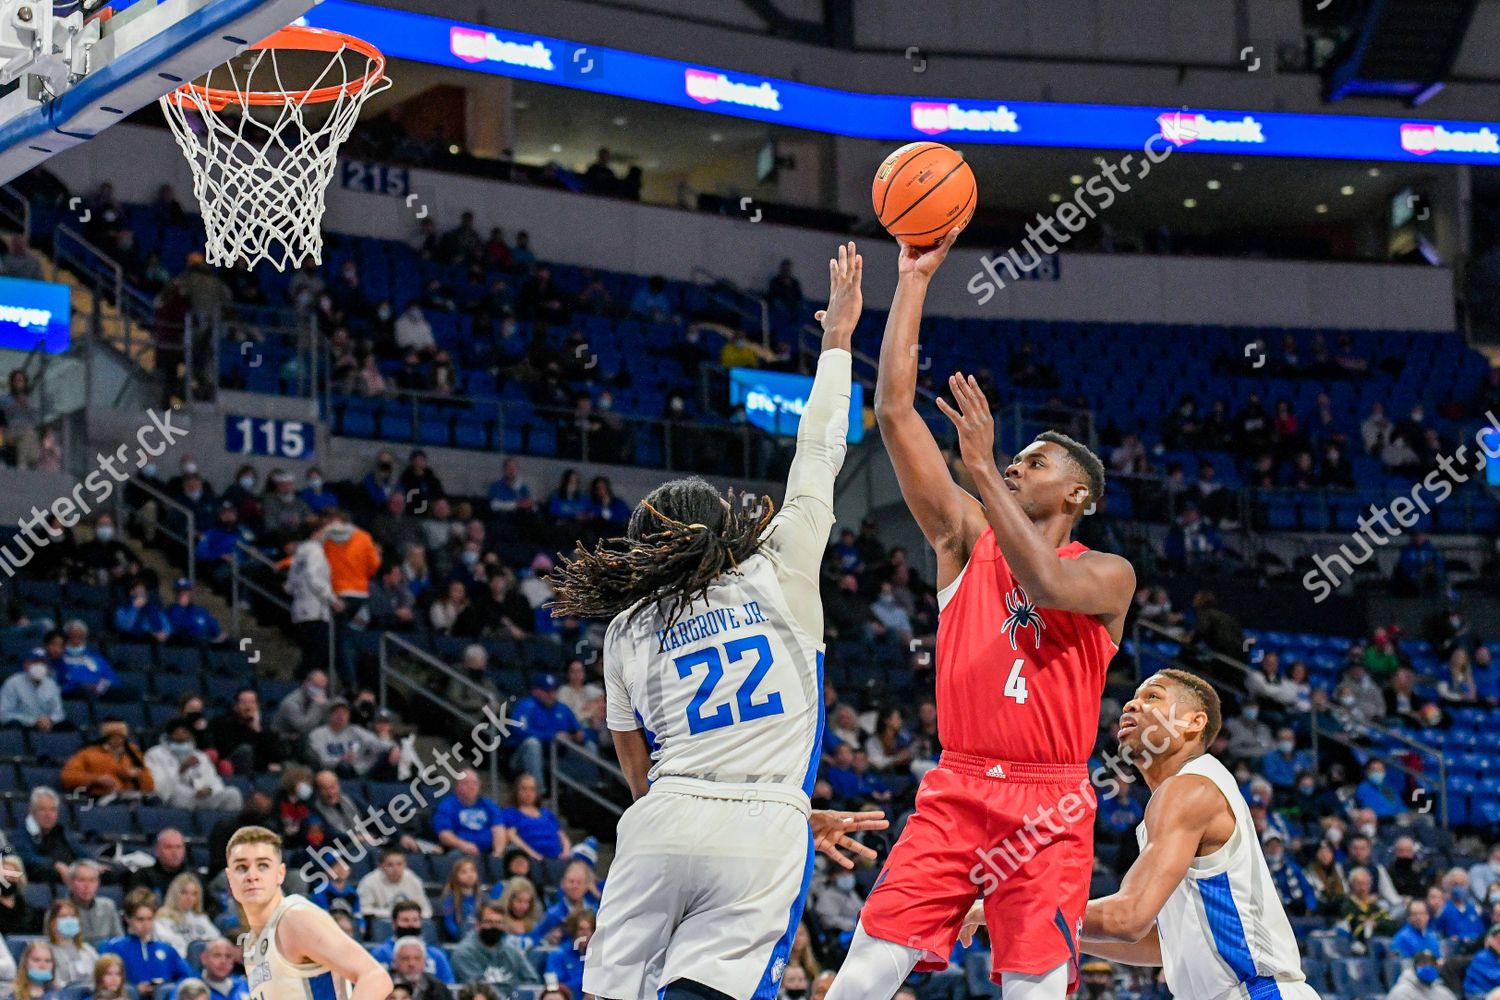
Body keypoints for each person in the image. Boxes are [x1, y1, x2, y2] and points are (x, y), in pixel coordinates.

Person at [552, 243, 889, 1000]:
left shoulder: (626, 626)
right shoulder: (782, 566)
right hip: (763, 827)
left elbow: (637, 771)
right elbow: (819, 451)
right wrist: (836, 342)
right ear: (726, 531)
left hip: (661, 821)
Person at [827, 231, 1133, 1000]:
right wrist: (913, 279)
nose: (1014, 464)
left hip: (1051, 800)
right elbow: (895, 411)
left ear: (1078, 496)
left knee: (1031, 991)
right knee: (863, 974)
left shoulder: (1106, 574)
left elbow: (1049, 585)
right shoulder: (965, 539)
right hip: (957, 787)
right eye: (1013, 457)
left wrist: (981, 471)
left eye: (1036, 462)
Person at [1070, 671, 1319, 1000]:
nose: (1131, 704)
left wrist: (1015, 913)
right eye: (1133, 698)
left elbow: (1126, 918)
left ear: (1193, 722)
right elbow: (1165, 943)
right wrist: (1062, 932)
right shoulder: (1177, 798)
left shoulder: (1189, 789)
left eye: (1153, 697)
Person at [225, 826, 391, 1000]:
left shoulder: (294, 918)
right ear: (230, 878)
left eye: (263, 865)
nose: (252, 875)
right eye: (242, 867)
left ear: (280, 874)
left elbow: (375, 977)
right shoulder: (251, 943)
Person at [99, 889, 193, 999]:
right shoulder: (113, 948)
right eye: (140, 919)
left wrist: (169, 991)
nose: (146, 925)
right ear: (127, 919)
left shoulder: (167, 949)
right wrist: (134, 990)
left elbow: (188, 978)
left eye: (150, 919)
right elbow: (102, 983)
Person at [144, 719, 244, 812]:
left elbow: (215, 781)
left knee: (233, 794)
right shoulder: (155, 754)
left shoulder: (199, 756)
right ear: (169, 737)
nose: (182, 741)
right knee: (179, 792)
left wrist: (210, 790)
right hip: (174, 798)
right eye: (178, 740)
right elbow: (156, 788)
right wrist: (180, 770)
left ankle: (228, 828)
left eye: (185, 738)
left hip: (202, 797)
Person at [449, 900, 539, 990]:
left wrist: (516, 995)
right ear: (478, 924)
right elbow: (478, 991)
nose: (494, 927)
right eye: (489, 922)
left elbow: (532, 981)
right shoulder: (464, 954)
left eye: (499, 923)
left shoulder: (511, 951)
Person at [61, 719, 155, 798]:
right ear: (105, 737)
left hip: (132, 796)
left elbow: (150, 785)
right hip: (101, 797)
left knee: (154, 800)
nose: (118, 740)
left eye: (121, 736)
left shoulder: (133, 753)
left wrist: (138, 776)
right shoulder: (88, 753)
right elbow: (68, 777)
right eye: (114, 736)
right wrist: (96, 779)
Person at [367, 901, 453, 983]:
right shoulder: (380, 953)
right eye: (405, 920)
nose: (411, 925)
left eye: (415, 920)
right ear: (394, 923)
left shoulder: (436, 955)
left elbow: (449, 985)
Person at [431, 769, 506, 858]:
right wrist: (463, 845)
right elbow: (444, 835)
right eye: (466, 783)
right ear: (457, 787)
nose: (471, 786)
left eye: (474, 783)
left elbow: (499, 829)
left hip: (489, 851)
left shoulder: (488, 804)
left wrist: (498, 852)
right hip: (462, 850)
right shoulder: (447, 806)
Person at [501, 774, 569, 861]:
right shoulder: (510, 812)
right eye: (524, 789)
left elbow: (562, 836)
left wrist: (566, 852)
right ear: (517, 791)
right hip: (531, 859)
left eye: (532, 789)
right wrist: (533, 855)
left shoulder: (547, 813)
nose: (528, 793)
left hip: (558, 857)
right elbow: (511, 836)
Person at [356, 847, 430, 920]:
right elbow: (363, 910)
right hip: (382, 923)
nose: (395, 869)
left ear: (405, 865)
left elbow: (426, 910)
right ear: (381, 866)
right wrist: (395, 915)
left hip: (409, 922)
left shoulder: (414, 880)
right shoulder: (368, 882)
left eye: (399, 864)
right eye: (390, 865)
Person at [0, 647, 65, 731]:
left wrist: (50, 720)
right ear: (25, 664)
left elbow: (59, 712)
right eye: (35, 662)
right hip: (23, 727)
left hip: (47, 726)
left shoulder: (51, 684)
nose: (39, 666)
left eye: (43, 663)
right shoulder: (12, 683)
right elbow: (3, 713)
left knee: (66, 726)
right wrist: (33, 721)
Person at [45, 899, 99, 986]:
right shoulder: (45, 951)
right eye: (63, 916)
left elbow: (101, 975)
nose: (69, 920)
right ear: (52, 923)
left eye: (73, 916)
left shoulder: (88, 950)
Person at [67, 861, 121, 942]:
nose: (87, 886)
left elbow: (119, 941)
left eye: (92, 880)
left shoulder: (108, 906)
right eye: (81, 880)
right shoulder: (60, 911)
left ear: (98, 883)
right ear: (71, 882)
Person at [438, 858, 483, 943]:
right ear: (455, 876)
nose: (470, 875)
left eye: (472, 871)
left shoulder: (484, 897)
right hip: (462, 939)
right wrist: (463, 936)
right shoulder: (449, 899)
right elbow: (449, 924)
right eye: (464, 872)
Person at [1386, 950, 1454, 1000]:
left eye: (1432, 964)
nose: (1428, 968)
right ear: (1414, 968)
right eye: (1423, 964)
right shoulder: (1401, 991)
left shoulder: (1443, 992)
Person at [1464, 924, 1500, 997]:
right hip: (1478, 994)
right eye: (1497, 938)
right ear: (1490, 940)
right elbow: (1495, 977)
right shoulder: (1482, 956)